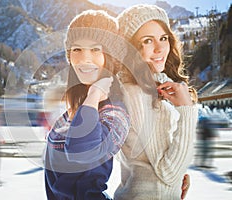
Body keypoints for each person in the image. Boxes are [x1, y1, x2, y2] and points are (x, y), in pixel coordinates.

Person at [113, 4, 198, 200]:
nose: (160, 48)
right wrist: (187, 110)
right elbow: (167, 172)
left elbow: (156, 163)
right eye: (148, 41)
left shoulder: (147, 85)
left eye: (163, 38)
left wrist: (177, 179)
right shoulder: (136, 93)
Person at [44, 10, 130, 199]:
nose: (84, 58)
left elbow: (81, 152)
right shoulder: (73, 112)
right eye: (77, 49)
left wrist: (94, 95)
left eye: (95, 49)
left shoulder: (115, 113)